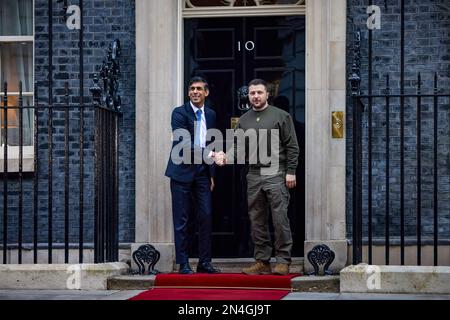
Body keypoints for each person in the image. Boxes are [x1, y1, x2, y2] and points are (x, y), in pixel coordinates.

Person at [215, 79, 299, 275]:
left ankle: (283, 260)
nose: (256, 96)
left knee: (280, 218)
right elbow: (238, 148)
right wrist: (225, 157)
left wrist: (291, 171)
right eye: (252, 93)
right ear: (249, 96)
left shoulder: (281, 116)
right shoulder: (244, 120)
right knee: (257, 219)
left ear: (267, 94)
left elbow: (292, 146)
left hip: (276, 172)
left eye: (259, 92)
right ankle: (262, 261)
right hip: (253, 174)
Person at [165, 76, 220, 274]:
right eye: (192, 89)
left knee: (206, 216)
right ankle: (184, 263)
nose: (195, 92)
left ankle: (204, 262)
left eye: (199, 89)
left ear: (206, 93)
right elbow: (185, 145)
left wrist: (211, 173)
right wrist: (213, 155)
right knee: (182, 219)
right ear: (188, 93)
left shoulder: (211, 114)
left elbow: (212, 141)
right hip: (181, 172)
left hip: (202, 173)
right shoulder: (179, 113)